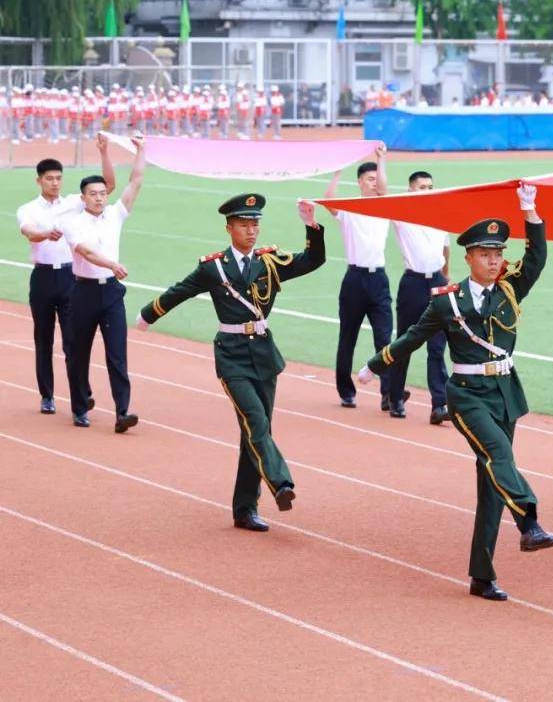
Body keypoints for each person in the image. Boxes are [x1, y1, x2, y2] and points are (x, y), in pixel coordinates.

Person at [357, 184, 553, 601]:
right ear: (467, 257)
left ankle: (481, 576)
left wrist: (530, 210)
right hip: (466, 395)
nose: (493, 260)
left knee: (492, 485)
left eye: (498, 253)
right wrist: (374, 366)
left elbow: (536, 260)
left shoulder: (508, 289)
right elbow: (412, 337)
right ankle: (530, 522)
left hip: (505, 392)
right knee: (500, 457)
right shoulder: (448, 301)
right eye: (485, 254)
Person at [135, 195, 326, 531]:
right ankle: (281, 483)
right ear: (229, 228)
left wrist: (312, 225)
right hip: (232, 354)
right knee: (256, 421)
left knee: (254, 431)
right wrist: (148, 314)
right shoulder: (215, 267)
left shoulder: (269, 262)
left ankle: (244, 509)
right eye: (243, 224)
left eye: (255, 224)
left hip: (264, 354)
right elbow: (181, 290)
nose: (251, 230)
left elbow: (313, 260)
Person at [17, 138, 114, 414]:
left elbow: (107, 186)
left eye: (59, 178)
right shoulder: (29, 209)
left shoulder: (74, 202)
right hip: (44, 278)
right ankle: (47, 395)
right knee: (43, 339)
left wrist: (104, 152)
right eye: (50, 179)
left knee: (74, 340)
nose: (55, 183)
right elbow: (29, 232)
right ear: (39, 181)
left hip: (71, 279)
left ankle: (81, 394)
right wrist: (46, 233)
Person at [60, 133, 146, 432]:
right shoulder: (73, 222)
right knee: (77, 352)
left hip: (111, 292)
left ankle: (123, 411)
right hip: (82, 291)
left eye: (102, 193)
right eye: (93, 194)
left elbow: (135, 182)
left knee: (117, 354)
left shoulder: (115, 215)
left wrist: (141, 151)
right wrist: (112, 263)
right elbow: (85, 251)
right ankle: (80, 405)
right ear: (83, 197)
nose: (99, 197)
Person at [323, 146, 394, 411]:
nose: (374, 183)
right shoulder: (349, 209)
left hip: (379, 280)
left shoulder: (383, 205)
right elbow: (329, 198)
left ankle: (389, 393)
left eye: (377, 179)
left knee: (385, 339)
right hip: (354, 279)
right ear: (360, 182)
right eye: (369, 179)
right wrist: (338, 170)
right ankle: (346, 391)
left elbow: (385, 189)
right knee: (348, 337)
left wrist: (380, 159)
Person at [386, 171, 452, 423]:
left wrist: (446, 278)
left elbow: (446, 247)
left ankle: (439, 404)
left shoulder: (439, 214)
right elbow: (382, 193)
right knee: (405, 342)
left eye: (430, 186)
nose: (427, 190)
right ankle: (395, 397)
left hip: (436, 282)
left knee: (437, 347)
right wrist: (382, 161)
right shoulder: (403, 214)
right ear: (411, 189)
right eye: (422, 186)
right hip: (413, 282)